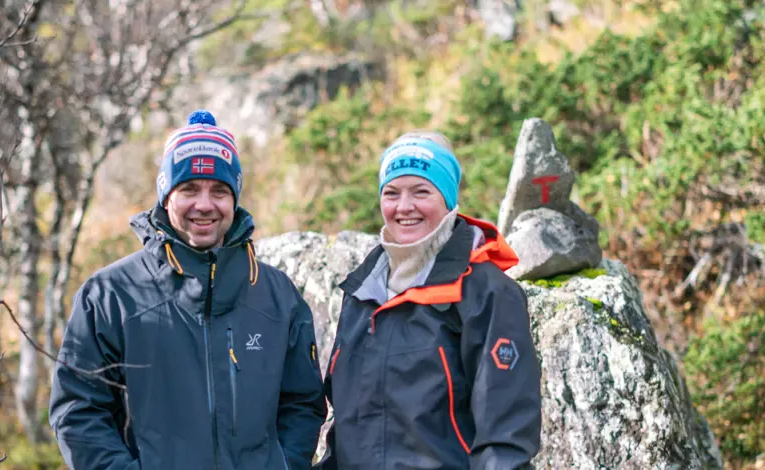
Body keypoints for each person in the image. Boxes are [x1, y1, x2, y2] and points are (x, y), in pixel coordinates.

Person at [49, 110, 327, 470]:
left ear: (235, 200)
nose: (205, 205)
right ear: (166, 196)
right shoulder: (110, 296)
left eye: (219, 191)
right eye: (189, 189)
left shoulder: (277, 296)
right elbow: (78, 412)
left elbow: (302, 405)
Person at [315, 131, 542, 469]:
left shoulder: (486, 292)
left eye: (421, 192)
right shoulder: (361, 294)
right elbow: (346, 429)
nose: (404, 207)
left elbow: (505, 439)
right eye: (391, 193)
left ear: (448, 199)